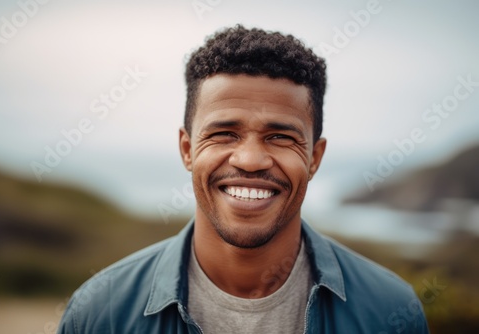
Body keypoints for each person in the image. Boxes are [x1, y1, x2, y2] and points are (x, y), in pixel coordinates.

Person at [57, 25, 429, 334]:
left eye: (280, 136)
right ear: (187, 149)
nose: (250, 160)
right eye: (224, 133)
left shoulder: (391, 312)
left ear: (314, 158)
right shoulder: (99, 313)